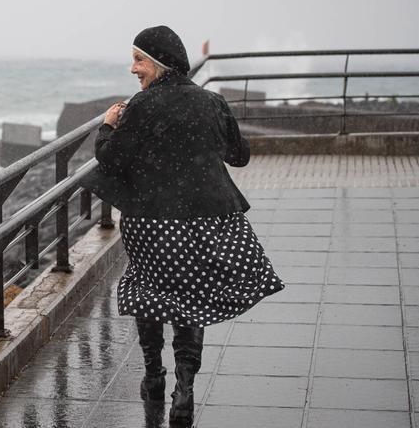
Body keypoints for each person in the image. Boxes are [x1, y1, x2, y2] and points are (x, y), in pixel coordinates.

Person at [93, 25, 284, 426]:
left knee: (149, 289)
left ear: (160, 63)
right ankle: (185, 388)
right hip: (206, 222)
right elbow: (240, 156)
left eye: (139, 59)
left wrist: (107, 126)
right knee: (191, 297)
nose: (133, 68)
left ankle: (153, 377)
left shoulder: (142, 106)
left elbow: (112, 160)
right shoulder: (211, 101)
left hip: (153, 224)